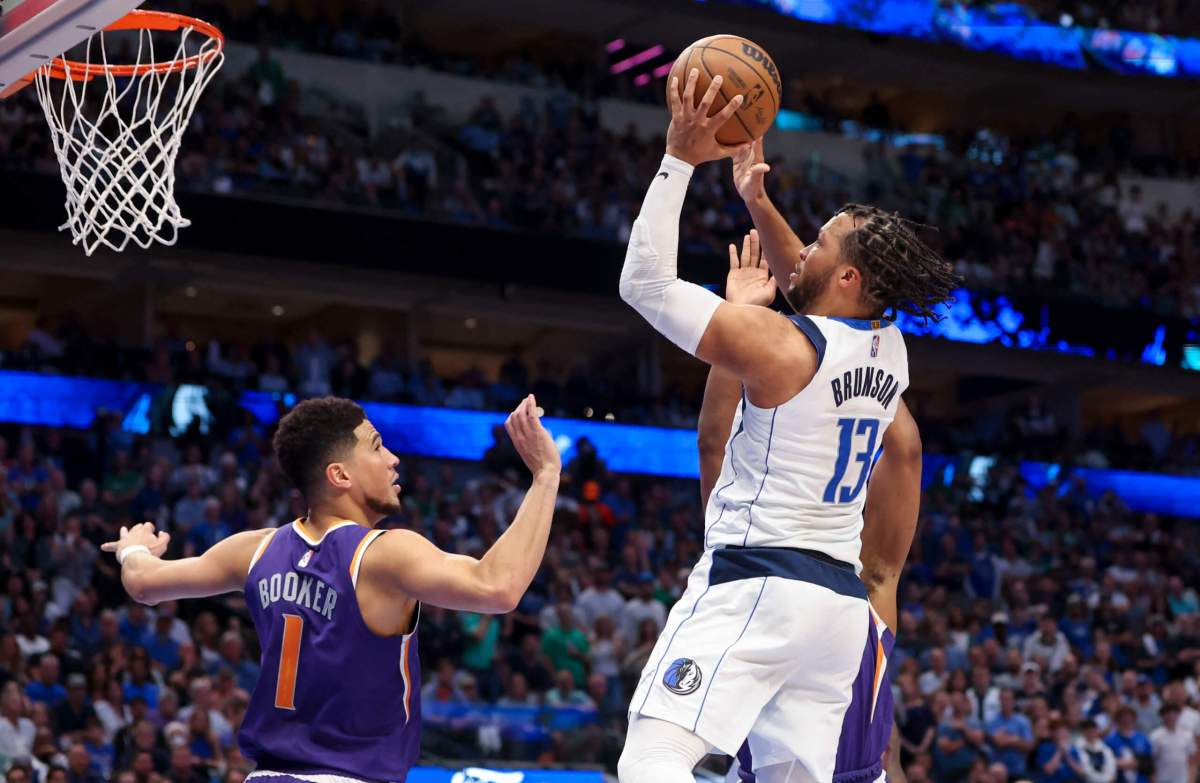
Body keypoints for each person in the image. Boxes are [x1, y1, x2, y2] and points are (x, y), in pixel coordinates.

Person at [618, 69, 955, 783]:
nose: (802, 250)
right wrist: (755, 197)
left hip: (758, 580)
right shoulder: (889, 349)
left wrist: (680, 153)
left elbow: (642, 283)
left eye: (821, 244)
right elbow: (810, 280)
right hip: (836, 612)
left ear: (848, 281)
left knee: (655, 753)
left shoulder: (780, 347)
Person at [101, 395, 561, 783]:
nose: (393, 458)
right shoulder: (383, 554)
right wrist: (545, 476)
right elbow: (498, 587)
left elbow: (144, 585)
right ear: (340, 475)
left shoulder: (253, 550)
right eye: (377, 447)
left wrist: (134, 550)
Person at [701, 235, 923, 783]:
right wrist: (868, 368)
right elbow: (908, 449)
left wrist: (740, 324)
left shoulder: (750, 557)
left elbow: (713, 443)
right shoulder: (875, 592)